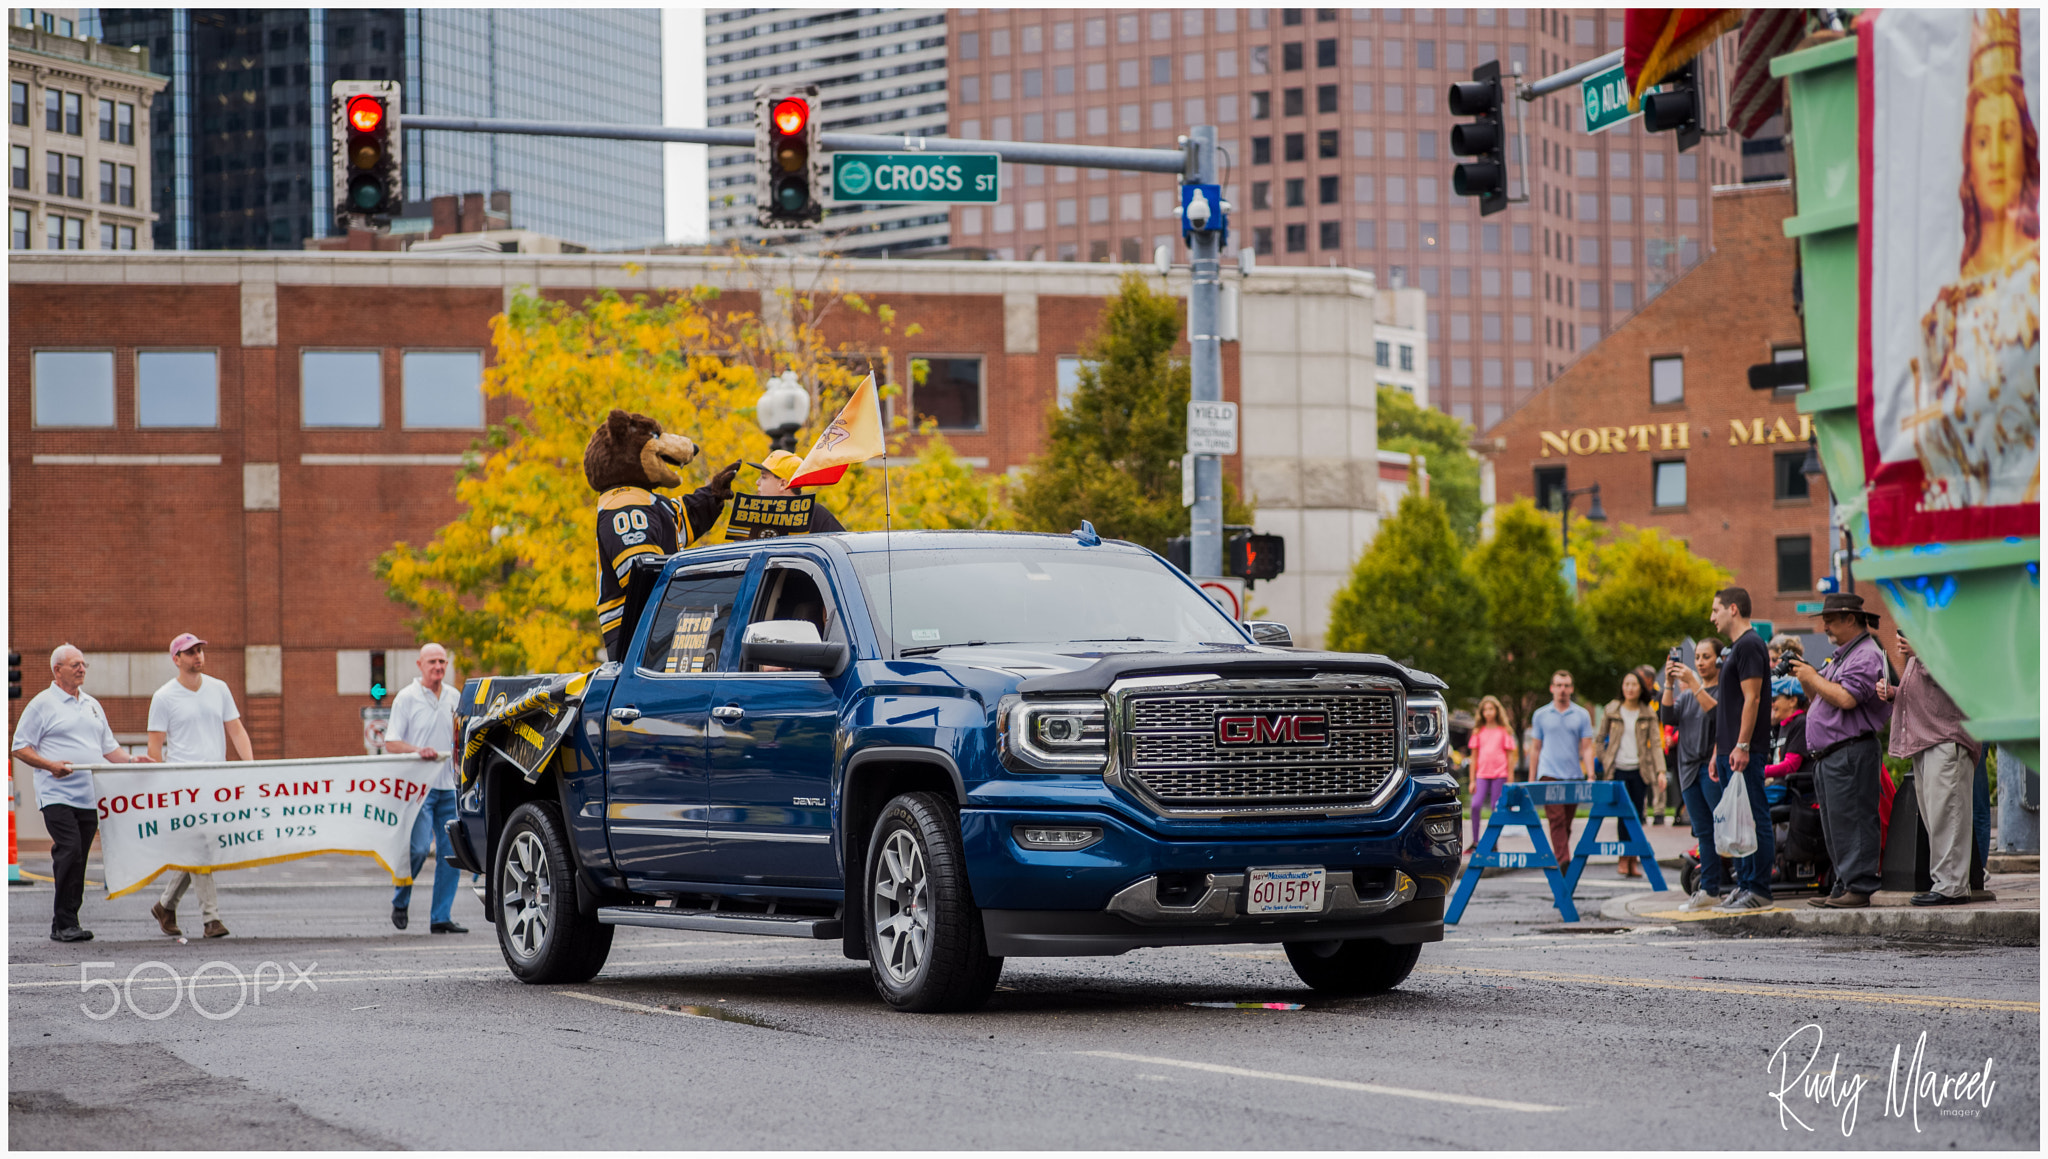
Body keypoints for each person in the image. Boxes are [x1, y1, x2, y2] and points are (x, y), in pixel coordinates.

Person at [1908, 9, 2039, 511]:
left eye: (2007, 135)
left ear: (2026, 145)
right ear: (1969, 159)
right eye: (1982, 141)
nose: (1997, 156)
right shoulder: (1943, 315)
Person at [9, 645, 154, 941]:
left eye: (83, 664)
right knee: (70, 850)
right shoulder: (42, 704)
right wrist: (50, 765)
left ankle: (65, 922)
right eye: (74, 664)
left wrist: (130, 761)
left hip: (90, 796)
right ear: (56, 670)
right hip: (57, 794)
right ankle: (64, 922)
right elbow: (19, 746)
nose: (81, 668)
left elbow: (107, 747)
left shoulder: (91, 704)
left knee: (80, 857)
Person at [1788, 593, 1893, 909]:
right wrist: (1809, 679)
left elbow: (1847, 698)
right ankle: (1844, 884)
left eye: (1831, 619)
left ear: (1851, 619)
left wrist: (1812, 677)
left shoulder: (1864, 655)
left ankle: (1859, 886)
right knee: (1836, 825)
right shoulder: (1843, 654)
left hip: (1849, 751)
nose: (1825, 626)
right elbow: (1822, 698)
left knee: (1854, 821)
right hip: (1833, 754)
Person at [145, 632, 251, 939]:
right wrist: (158, 786)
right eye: (190, 652)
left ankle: (166, 904)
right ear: (176, 659)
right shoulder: (164, 697)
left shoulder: (219, 689)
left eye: (200, 651)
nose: (197, 656)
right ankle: (211, 919)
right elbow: (155, 747)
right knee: (201, 846)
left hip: (216, 785)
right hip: (182, 785)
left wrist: (250, 767)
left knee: (200, 848)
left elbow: (237, 731)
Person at [1879, 629, 1981, 906]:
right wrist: (1894, 693)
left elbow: (1959, 680)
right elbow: (1926, 693)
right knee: (1936, 816)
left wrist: (1922, 652)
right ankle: (1945, 882)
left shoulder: (1950, 637)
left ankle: (1951, 886)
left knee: (1948, 813)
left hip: (1947, 735)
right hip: (1927, 736)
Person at [384, 643, 466, 934]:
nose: (438, 667)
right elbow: (391, 742)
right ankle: (401, 899)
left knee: (451, 854)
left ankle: (440, 917)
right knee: (418, 849)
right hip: (419, 789)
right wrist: (418, 751)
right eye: (432, 661)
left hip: (449, 788)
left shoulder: (454, 697)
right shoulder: (406, 698)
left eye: (442, 661)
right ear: (419, 664)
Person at [1702, 587, 1775, 912]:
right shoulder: (1736, 649)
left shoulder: (1749, 645)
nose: (1712, 617)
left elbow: (1753, 699)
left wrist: (1743, 745)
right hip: (1731, 750)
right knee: (1736, 818)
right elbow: (1728, 707)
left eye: (1716, 610)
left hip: (1746, 750)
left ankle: (1759, 889)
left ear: (1733, 609)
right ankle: (1744, 885)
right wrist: (1721, 748)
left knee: (1754, 815)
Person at [1664, 639, 1724, 910]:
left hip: (1710, 770)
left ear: (1719, 659)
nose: (1699, 662)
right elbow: (1667, 716)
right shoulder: (1686, 696)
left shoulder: (1722, 691)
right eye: (1697, 656)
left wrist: (1693, 681)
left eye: (1706, 656)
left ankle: (1735, 884)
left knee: (1723, 828)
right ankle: (1709, 889)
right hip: (1687, 771)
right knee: (1703, 832)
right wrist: (1668, 683)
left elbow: (1717, 716)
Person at [1596, 669, 1665, 877]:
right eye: (1626, 684)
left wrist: (1660, 771)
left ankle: (1632, 859)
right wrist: (1605, 758)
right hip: (1617, 771)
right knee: (1622, 817)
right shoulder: (1612, 710)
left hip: (1639, 770)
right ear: (1622, 687)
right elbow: (1599, 740)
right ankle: (1623, 858)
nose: (1630, 688)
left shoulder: (1647, 712)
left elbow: (1655, 745)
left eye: (1634, 685)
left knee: (1637, 816)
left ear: (1640, 688)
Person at [1525, 670, 1595, 865]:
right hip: (1548, 774)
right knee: (1556, 819)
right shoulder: (1540, 715)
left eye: (1566, 686)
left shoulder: (1581, 714)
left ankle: (1560, 858)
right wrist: (1532, 779)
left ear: (1571, 689)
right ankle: (1563, 861)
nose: (1562, 690)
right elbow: (1536, 748)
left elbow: (1588, 747)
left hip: (1573, 775)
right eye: (1558, 685)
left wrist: (1591, 774)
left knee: (1566, 822)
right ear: (1552, 688)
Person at [749, 450, 847, 533]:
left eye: (764, 477)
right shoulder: (753, 517)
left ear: (783, 484)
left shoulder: (815, 515)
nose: (757, 482)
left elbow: (845, 547)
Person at [1466, 695, 1517, 844]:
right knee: (1475, 805)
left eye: (1491, 709)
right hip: (1482, 774)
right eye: (1485, 710)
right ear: (1481, 713)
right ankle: (1476, 841)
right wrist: (1472, 780)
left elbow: (1510, 757)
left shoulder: (1504, 731)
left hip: (1500, 774)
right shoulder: (1478, 732)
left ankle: (1493, 842)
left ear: (1496, 711)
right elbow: (1473, 758)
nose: (1488, 712)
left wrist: (1510, 779)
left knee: (1496, 808)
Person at [1763, 676, 1810, 783]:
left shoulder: (1800, 722)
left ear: (1793, 701)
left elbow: (1790, 766)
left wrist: (1760, 771)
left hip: (1796, 792)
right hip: (1782, 786)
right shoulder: (1783, 725)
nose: (1772, 704)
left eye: (1774, 700)